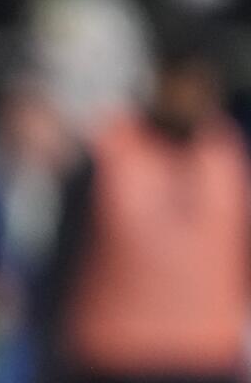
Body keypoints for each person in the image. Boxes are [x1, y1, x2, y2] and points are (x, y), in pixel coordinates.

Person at [38, 36, 251, 383]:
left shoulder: (229, 157)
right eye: (181, 82)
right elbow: (64, 265)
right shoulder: (108, 156)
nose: (189, 96)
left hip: (211, 360)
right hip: (119, 361)